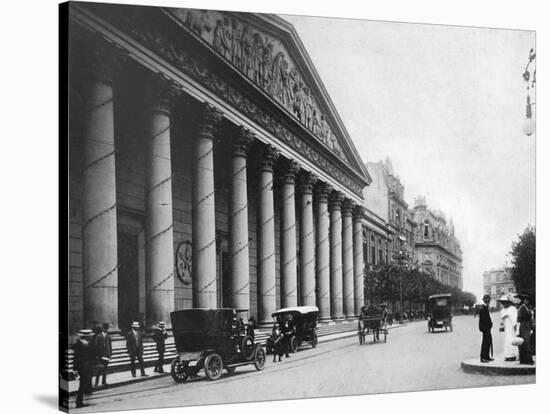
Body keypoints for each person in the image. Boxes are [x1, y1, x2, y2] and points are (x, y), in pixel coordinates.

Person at [73, 329, 95, 408]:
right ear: (86, 337)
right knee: (82, 386)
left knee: (83, 385)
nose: (90, 337)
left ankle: (79, 402)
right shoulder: (79, 345)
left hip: (86, 367)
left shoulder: (86, 344)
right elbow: (76, 358)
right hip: (82, 368)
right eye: (89, 336)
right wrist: (75, 369)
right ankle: (79, 403)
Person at [516, 294, 534, 364]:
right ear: (524, 301)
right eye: (526, 300)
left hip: (527, 325)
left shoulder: (527, 308)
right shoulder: (521, 308)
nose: (527, 301)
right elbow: (519, 319)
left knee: (527, 342)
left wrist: (531, 327)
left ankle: (525, 359)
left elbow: (530, 318)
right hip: (523, 326)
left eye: (528, 300)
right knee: (525, 343)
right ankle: (527, 360)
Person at [499, 294, 518, 361]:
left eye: (506, 302)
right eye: (503, 302)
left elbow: (514, 319)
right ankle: (508, 354)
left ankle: (513, 354)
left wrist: (515, 328)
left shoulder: (512, 309)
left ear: (509, 302)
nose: (504, 304)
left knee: (512, 340)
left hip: (512, 327)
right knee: (507, 340)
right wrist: (502, 326)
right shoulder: (503, 310)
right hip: (507, 328)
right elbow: (501, 320)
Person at [479, 294, 493, 363]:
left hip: (487, 328)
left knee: (488, 342)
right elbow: (484, 320)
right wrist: (489, 324)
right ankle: (483, 357)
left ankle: (487, 356)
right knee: (485, 342)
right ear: (484, 300)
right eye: (487, 300)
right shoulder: (483, 308)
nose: (488, 301)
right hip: (485, 328)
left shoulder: (486, 307)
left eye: (489, 300)